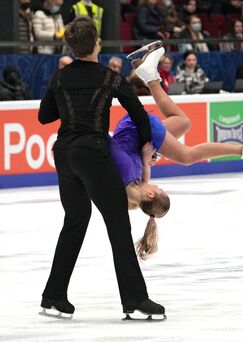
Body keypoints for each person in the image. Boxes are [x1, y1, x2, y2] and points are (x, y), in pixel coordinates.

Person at [37, 17, 164, 320]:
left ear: (72, 46)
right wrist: (147, 147)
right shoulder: (110, 77)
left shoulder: (59, 77)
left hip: (64, 153)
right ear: (97, 44)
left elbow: (44, 116)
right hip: (91, 152)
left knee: (76, 220)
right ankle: (135, 300)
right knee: (118, 223)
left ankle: (53, 297)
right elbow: (139, 114)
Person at [112, 44, 243, 259]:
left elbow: (116, 152)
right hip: (137, 139)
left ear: (151, 194)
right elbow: (143, 179)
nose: (157, 185)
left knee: (187, 156)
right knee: (183, 122)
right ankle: (146, 71)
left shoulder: (127, 175)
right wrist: (146, 160)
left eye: (159, 188)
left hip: (134, 132)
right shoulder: (134, 199)